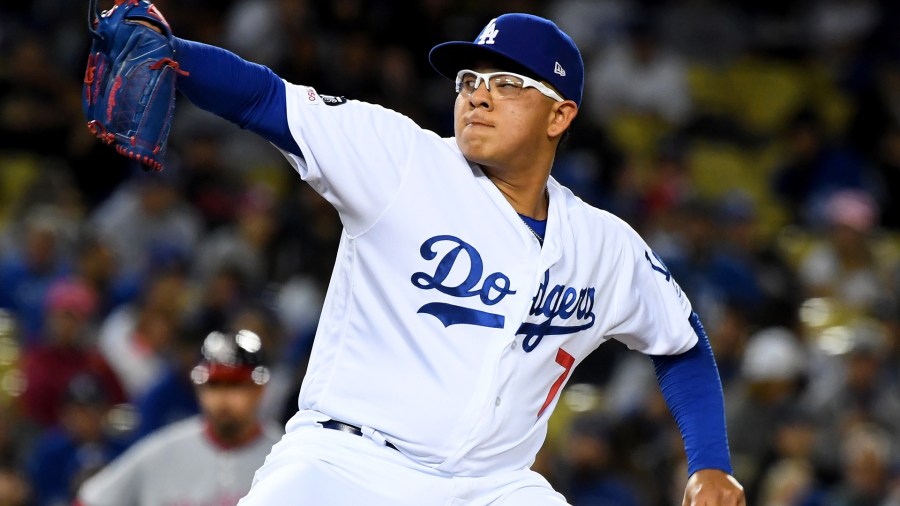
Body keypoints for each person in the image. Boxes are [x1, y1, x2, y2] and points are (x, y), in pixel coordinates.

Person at [136, 9, 745, 505]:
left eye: (508, 85)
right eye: (469, 82)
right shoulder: (404, 162)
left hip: (492, 488)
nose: (479, 97)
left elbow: (681, 342)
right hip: (349, 463)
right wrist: (168, 50)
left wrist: (710, 464)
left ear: (560, 114)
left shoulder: (603, 243)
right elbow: (264, 100)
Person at [74, 329, 282, 506]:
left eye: (235, 385)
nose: (223, 398)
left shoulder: (289, 455)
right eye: (214, 385)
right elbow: (90, 500)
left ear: (259, 389)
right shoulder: (162, 450)